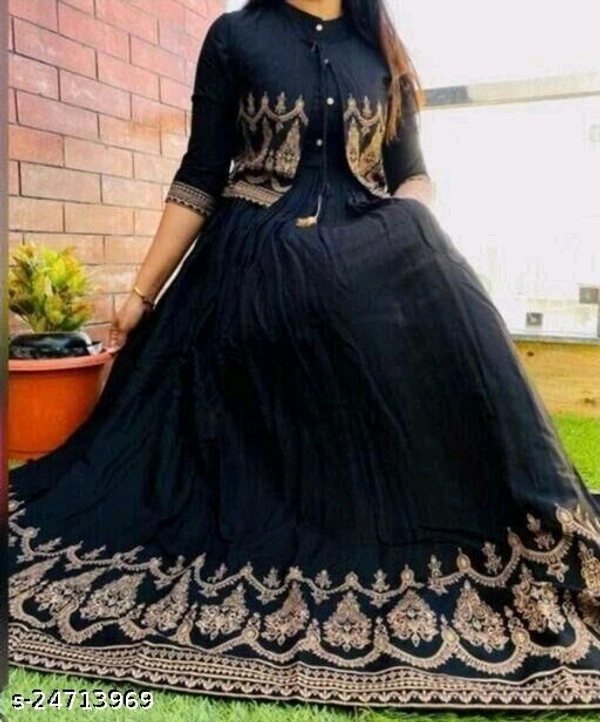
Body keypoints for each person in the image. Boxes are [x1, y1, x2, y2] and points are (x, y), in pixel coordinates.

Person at [8, 0, 600, 710]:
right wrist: (142, 291)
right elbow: (201, 172)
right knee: (287, 289)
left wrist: (404, 220)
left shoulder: (379, 47)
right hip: (253, 248)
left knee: (452, 289)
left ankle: (516, 515)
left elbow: (413, 174)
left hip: (366, 239)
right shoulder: (236, 35)